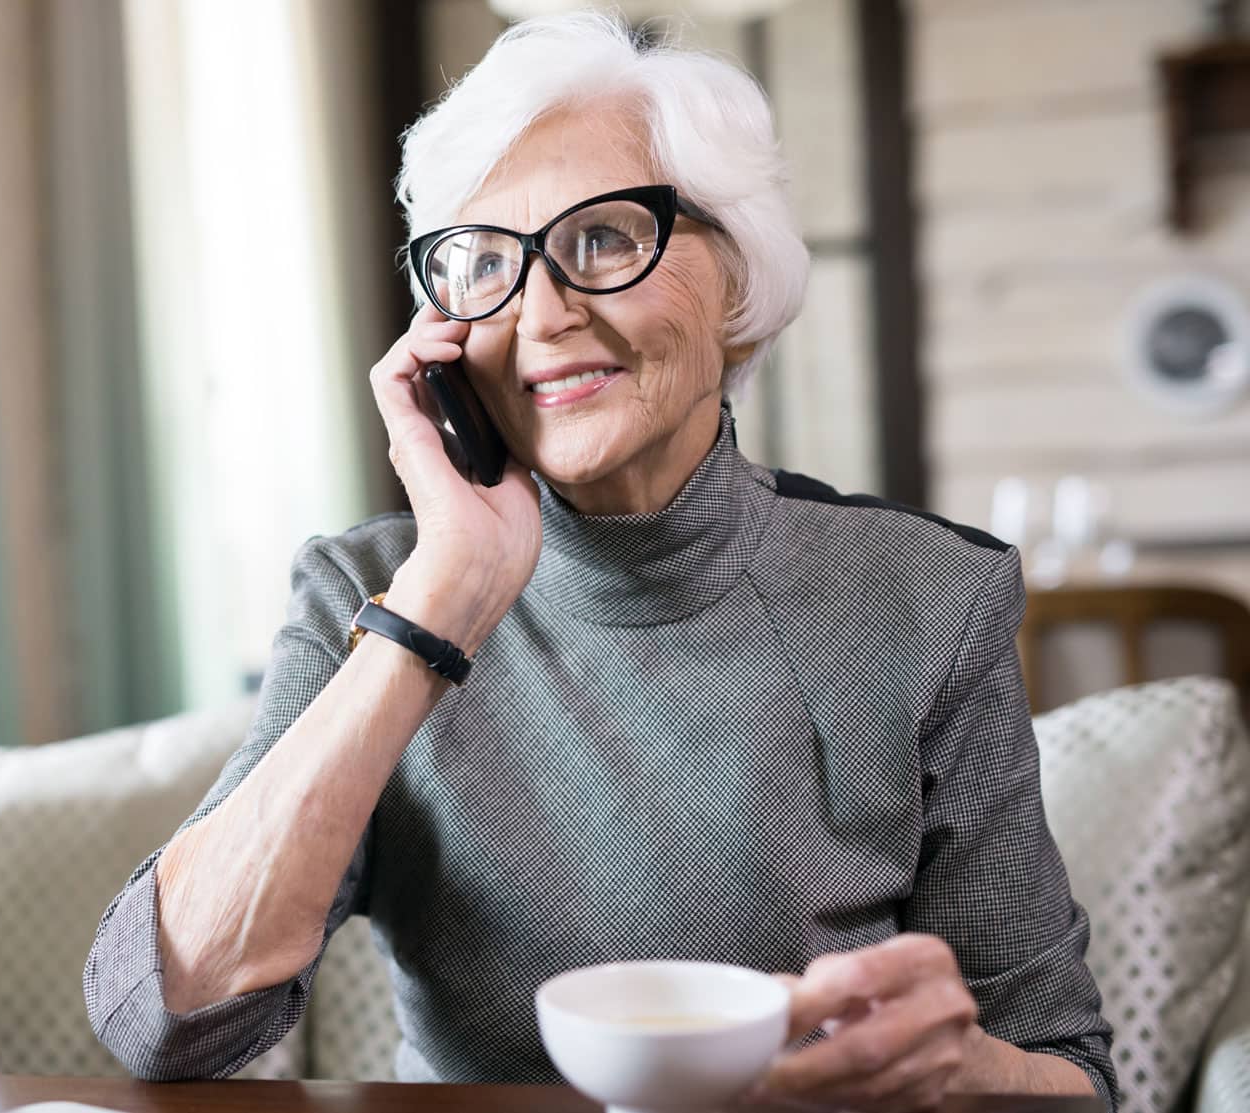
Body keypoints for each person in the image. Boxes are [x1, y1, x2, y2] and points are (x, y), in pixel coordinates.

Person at [83, 11, 1116, 1111]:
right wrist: (436, 607)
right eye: (483, 261)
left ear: (738, 286)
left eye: (605, 239)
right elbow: (164, 1019)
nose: (542, 312)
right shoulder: (367, 594)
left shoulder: (928, 600)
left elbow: (1074, 1080)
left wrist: (954, 1074)